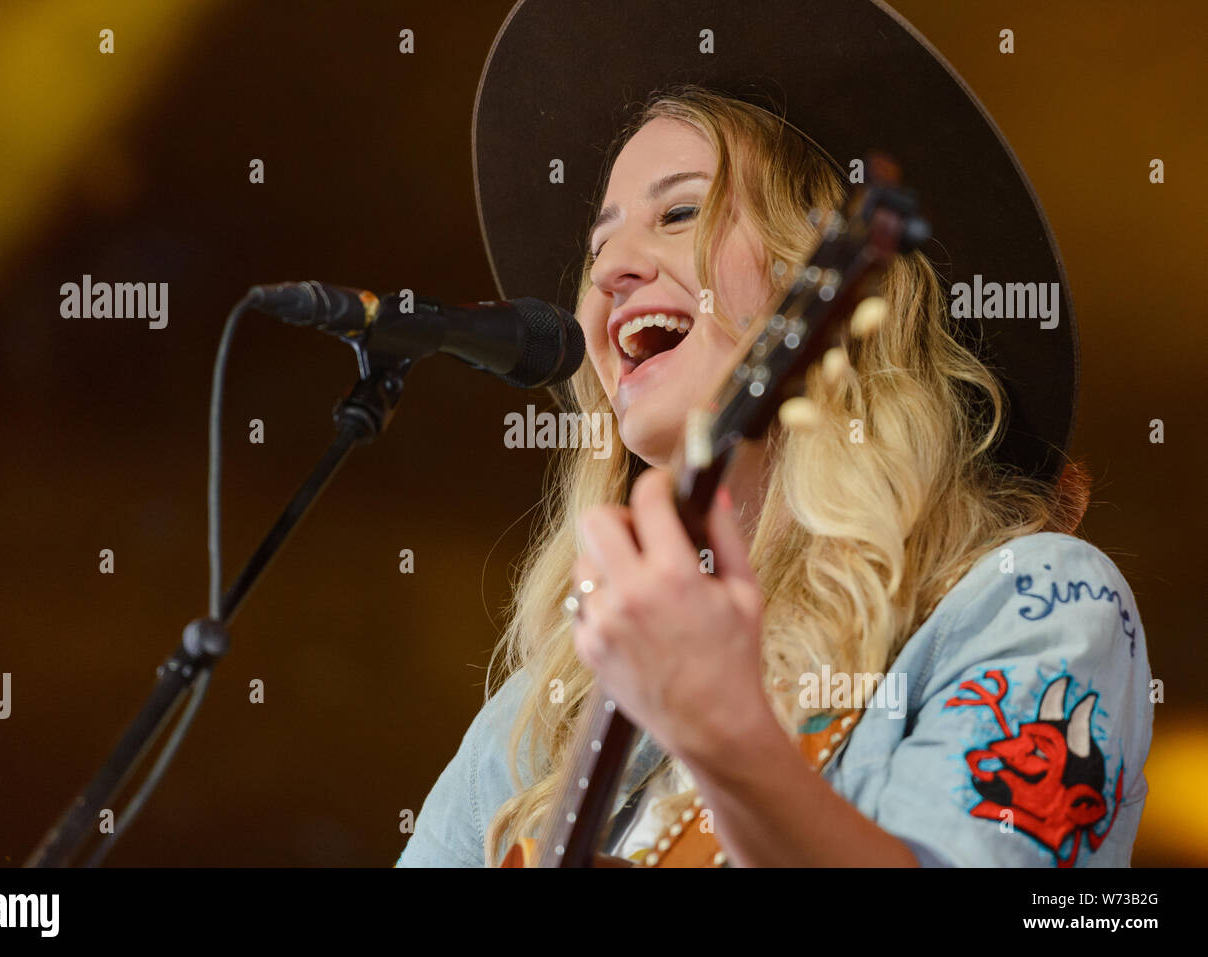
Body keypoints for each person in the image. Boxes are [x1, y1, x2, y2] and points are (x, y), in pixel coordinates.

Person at [397, 1, 1152, 868]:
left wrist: (726, 738)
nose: (607, 270)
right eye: (598, 245)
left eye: (679, 214)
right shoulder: (545, 714)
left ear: (821, 288)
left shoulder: (1029, 601)